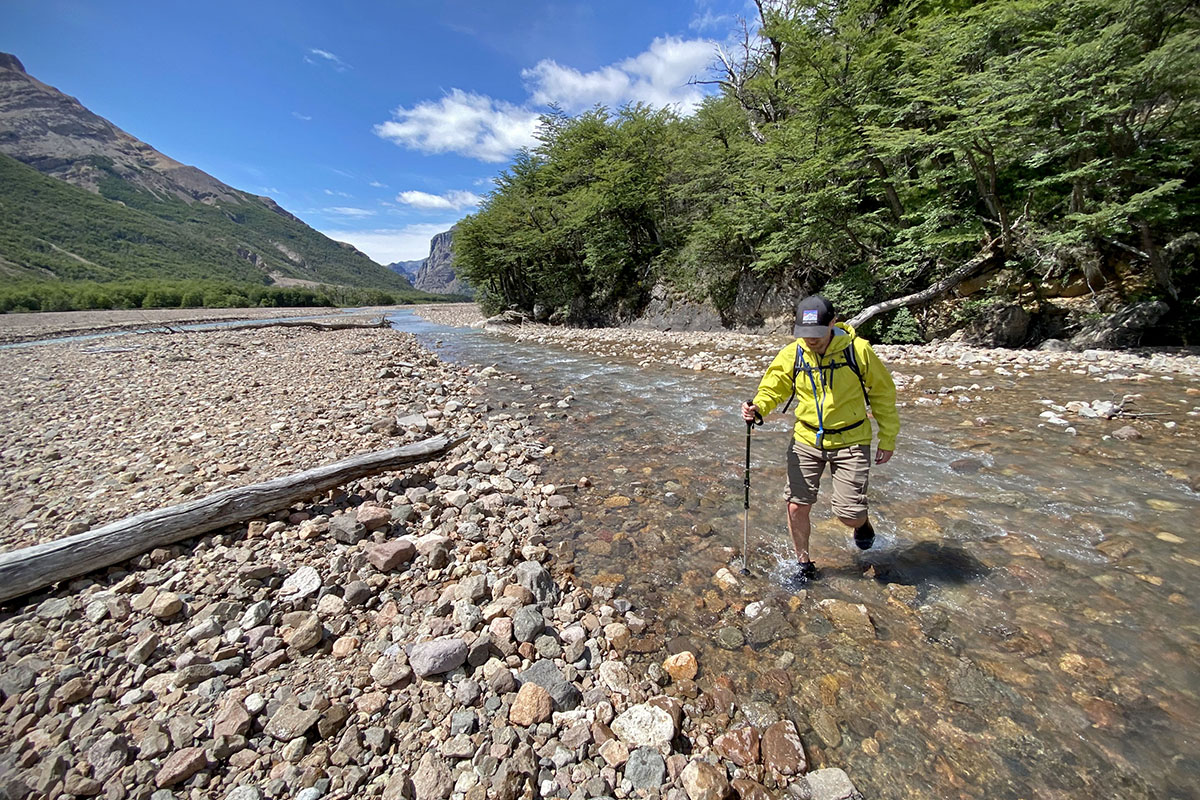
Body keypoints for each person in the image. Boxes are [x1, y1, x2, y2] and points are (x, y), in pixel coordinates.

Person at [741, 295, 899, 582]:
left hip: (851, 440)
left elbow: (883, 394)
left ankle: (861, 525)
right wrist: (759, 406)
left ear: (833, 323)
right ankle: (804, 564)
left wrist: (887, 437)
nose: (810, 340)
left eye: (816, 333)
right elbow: (773, 387)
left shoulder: (857, 351)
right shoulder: (794, 353)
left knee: (848, 514)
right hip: (806, 439)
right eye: (804, 334)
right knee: (796, 504)